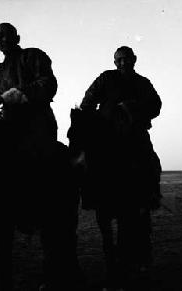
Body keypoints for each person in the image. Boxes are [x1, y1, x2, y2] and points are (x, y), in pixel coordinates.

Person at [0, 23, 82, 291]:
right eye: (0, 36)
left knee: (44, 169)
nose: (4, 39)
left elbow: (48, 83)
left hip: (36, 125)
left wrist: (21, 94)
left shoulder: (33, 56)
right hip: (8, 129)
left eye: (8, 34)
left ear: (17, 38)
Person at [75, 46, 162, 290]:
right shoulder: (106, 78)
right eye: (119, 59)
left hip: (134, 135)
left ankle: (150, 196)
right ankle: (90, 197)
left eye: (127, 59)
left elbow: (156, 105)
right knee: (85, 163)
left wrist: (135, 107)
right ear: (114, 62)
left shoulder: (143, 82)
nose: (123, 63)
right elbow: (87, 101)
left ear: (134, 60)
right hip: (108, 135)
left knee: (150, 161)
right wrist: (99, 121)